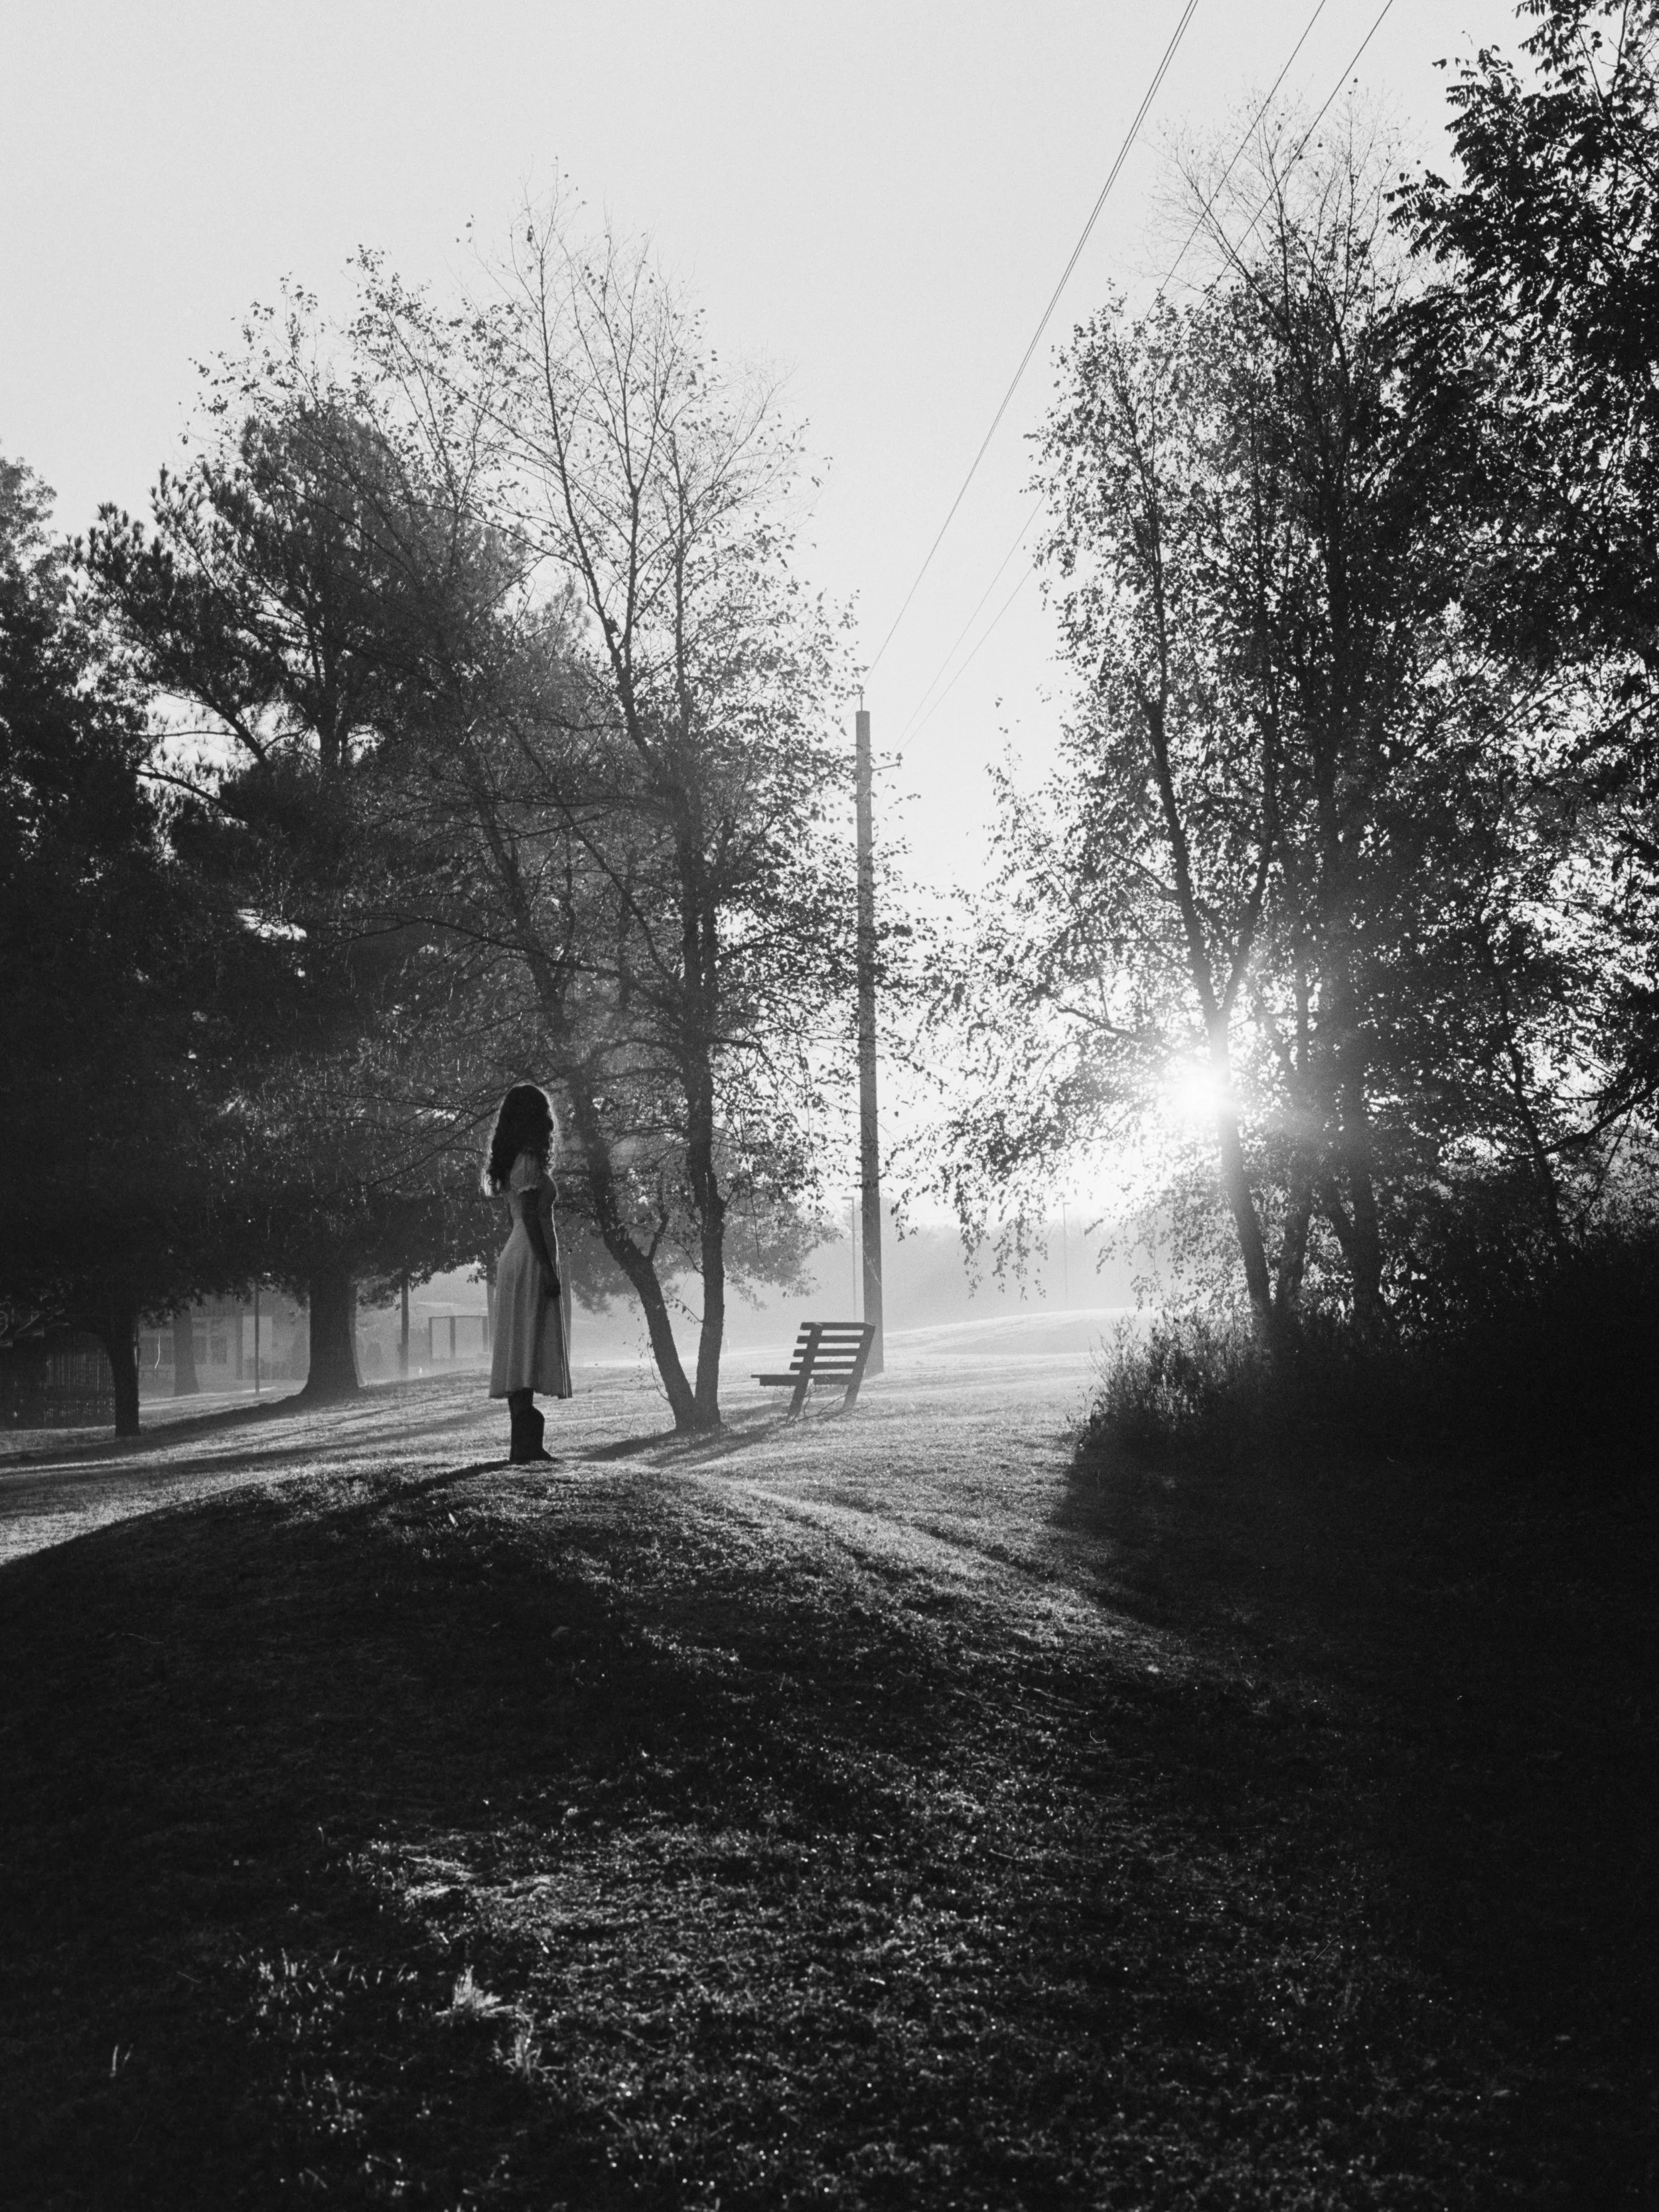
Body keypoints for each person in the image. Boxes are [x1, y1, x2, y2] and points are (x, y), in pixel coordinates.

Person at [483, 1083, 572, 1462]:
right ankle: (526, 1445)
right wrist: (549, 1270)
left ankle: (523, 1445)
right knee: (527, 1337)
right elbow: (535, 1220)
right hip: (529, 1257)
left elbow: (516, 1217)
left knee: (521, 1340)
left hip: (514, 1256)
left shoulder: (511, 1161)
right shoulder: (530, 1160)